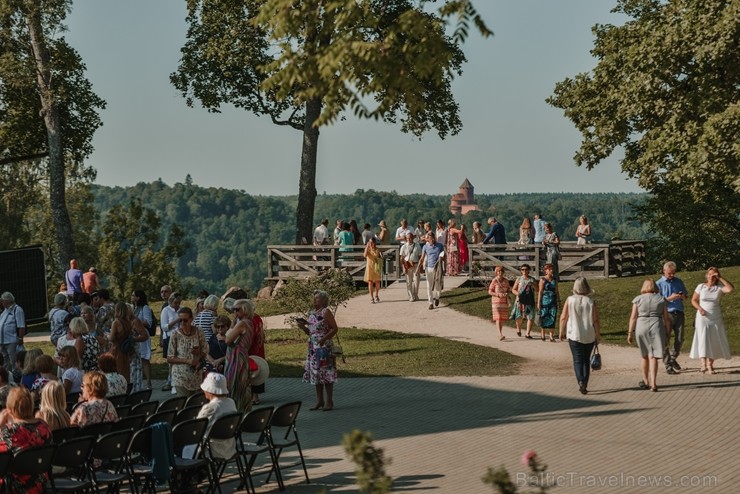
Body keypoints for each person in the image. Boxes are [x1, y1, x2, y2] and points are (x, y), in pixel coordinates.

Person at [0, 387, 53, 494]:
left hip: (14, 486)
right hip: (40, 482)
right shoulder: (43, 426)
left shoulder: (9, 432)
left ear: (9, 410)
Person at [296, 290, 338, 411]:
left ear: (324, 300)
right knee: (316, 372)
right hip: (313, 347)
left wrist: (324, 339)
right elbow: (311, 332)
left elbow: (334, 329)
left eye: (317, 299)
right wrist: (303, 327)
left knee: (326, 372)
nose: (314, 300)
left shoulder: (326, 312)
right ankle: (319, 400)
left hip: (324, 346)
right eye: (314, 298)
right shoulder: (311, 313)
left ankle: (329, 400)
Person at [559, 277, 601, 395]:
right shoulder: (591, 302)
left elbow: (563, 317)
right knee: (586, 360)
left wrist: (561, 331)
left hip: (574, 333)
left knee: (577, 360)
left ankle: (580, 381)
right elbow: (595, 320)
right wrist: (598, 334)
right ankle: (585, 383)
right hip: (589, 334)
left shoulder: (570, 300)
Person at [627, 279, 670, 392]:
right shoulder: (661, 299)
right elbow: (666, 318)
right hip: (657, 324)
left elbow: (633, 317)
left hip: (642, 325)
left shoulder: (638, 299)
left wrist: (630, 332)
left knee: (644, 355)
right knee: (654, 356)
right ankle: (654, 383)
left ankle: (645, 380)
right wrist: (668, 332)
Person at [689, 267, 734, 374]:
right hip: (702, 316)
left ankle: (710, 365)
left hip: (715, 316)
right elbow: (694, 300)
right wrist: (699, 308)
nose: (711, 277)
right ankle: (703, 364)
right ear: (706, 275)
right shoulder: (700, 286)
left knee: (714, 339)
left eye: (714, 275)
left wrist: (720, 277)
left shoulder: (719, 288)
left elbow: (730, 289)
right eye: (710, 274)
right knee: (702, 337)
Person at [656, 261, 688, 375]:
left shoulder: (678, 281)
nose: (672, 275)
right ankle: (667, 364)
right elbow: (656, 301)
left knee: (680, 338)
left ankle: (673, 358)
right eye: (670, 273)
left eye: (673, 273)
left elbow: (686, 295)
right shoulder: (659, 283)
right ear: (664, 271)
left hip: (679, 312)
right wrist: (670, 298)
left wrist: (682, 295)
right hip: (666, 314)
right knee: (665, 340)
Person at [167, 307, 206, 398]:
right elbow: (170, 358)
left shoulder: (199, 332)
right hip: (180, 376)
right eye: (180, 320)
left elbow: (205, 350)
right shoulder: (175, 334)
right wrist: (188, 361)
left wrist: (199, 352)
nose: (182, 323)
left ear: (191, 319)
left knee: (195, 405)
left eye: (185, 320)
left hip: (196, 375)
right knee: (183, 405)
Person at [197, 373, 238, 460]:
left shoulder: (210, 407)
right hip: (229, 447)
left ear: (209, 391)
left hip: (212, 449)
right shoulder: (231, 402)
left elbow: (198, 428)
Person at [131, 290, 154, 389]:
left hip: (143, 333)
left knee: (145, 359)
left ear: (138, 297)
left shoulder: (145, 308)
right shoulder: (134, 308)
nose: (131, 297)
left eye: (133, 295)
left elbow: (148, 322)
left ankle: (148, 382)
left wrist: (136, 322)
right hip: (136, 334)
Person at [417, 233, 445, 310]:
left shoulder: (440, 245)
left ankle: (437, 297)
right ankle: (430, 303)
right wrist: (418, 269)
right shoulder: (425, 247)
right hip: (429, 268)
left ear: (434, 238)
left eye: (432, 238)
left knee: (438, 285)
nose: (431, 239)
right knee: (428, 285)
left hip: (437, 268)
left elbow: (444, 256)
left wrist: (442, 260)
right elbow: (422, 258)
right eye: (429, 238)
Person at [160, 291, 182, 391]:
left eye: (179, 302)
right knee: (171, 360)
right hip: (169, 336)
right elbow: (164, 327)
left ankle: (178, 380)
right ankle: (170, 380)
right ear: (171, 302)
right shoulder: (166, 310)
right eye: (175, 303)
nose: (177, 305)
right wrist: (177, 320)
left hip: (180, 336)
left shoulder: (181, 310)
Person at [108, 301, 133, 389]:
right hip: (125, 350)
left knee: (116, 371)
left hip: (116, 349)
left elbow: (111, 338)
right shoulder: (128, 322)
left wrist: (107, 336)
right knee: (125, 372)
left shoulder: (116, 322)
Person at [0, 292, 26, 373]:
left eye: (2, 300)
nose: (1, 302)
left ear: (7, 301)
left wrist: (20, 338)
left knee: (14, 360)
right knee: (4, 361)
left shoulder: (17, 310)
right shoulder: (5, 311)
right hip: (2, 341)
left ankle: (16, 375)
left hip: (11, 340)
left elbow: (21, 326)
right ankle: (5, 376)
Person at [512, 264, 537, 339]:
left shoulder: (532, 279)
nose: (524, 271)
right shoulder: (519, 279)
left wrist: (533, 284)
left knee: (530, 316)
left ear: (529, 270)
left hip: (529, 300)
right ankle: (518, 329)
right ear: (521, 271)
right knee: (519, 316)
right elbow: (513, 289)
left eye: (526, 269)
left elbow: (537, 289)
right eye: (522, 269)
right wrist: (518, 294)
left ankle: (527, 333)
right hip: (520, 300)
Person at [127, 304, 148, 392]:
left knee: (135, 370)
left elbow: (144, 335)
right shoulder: (124, 321)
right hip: (127, 351)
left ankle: (136, 390)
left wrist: (133, 339)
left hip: (134, 349)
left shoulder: (135, 321)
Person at [537, 263, 560, 342]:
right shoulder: (542, 280)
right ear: (545, 271)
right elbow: (540, 291)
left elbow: (557, 291)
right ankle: (543, 334)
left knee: (553, 316)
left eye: (552, 269)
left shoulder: (554, 279)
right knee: (544, 316)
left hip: (553, 301)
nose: (551, 271)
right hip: (545, 301)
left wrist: (558, 300)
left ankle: (551, 335)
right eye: (549, 269)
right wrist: (538, 302)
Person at [488, 265, 511, 340]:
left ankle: (500, 333)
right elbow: (490, 291)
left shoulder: (506, 281)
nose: (500, 272)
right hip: (496, 301)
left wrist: (507, 293)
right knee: (498, 317)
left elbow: (508, 289)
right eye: (498, 271)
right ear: (496, 272)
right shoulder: (494, 281)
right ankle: (500, 334)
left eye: (501, 271)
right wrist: (497, 294)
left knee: (501, 318)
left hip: (503, 301)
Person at [248, 310, 266, 405]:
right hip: (259, 349)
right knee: (258, 370)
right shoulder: (257, 317)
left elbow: (251, 336)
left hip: (252, 349)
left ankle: (254, 396)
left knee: (253, 371)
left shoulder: (250, 320)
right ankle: (255, 395)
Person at [400, 232, 422, 302]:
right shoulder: (403, 246)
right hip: (407, 265)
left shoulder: (417, 246)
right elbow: (402, 258)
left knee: (416, 281)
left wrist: (420, 266)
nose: (409, 239)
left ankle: (415, 294)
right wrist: (403, 267)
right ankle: (411, 296)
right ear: (406, 239)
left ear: (413, 238)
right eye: (407, 238)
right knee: (409, 282)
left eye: (410, 238)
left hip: (415, 265)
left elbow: (420, 256)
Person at [363, 237, 383, 304]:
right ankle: (371, 297)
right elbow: (365, 255)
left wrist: (380, 256)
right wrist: (367, 247)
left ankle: (376, 295)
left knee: (377, 282)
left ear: (374, 243)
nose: (371, 244)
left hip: (376, 266)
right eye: (370, 242)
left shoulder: (377, 249)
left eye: (372, 242)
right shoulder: (368, 249)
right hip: (369, 267)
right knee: (370, 282)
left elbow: (380, 257)